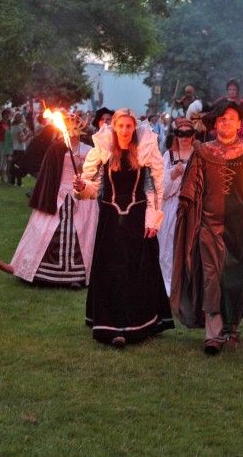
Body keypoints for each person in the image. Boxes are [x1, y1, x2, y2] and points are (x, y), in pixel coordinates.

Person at [171, 101, 243, 355]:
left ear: (239, 122)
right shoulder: (203, 152)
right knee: (212, 277)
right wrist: (187, 202)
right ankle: (213, 333)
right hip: (208, 226)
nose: (226, 123)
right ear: (215, 124)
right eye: (221, 119)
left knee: (235, 280)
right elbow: (190, 186)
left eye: (231, 118)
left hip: (241, 227)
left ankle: (231, 327)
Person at [73, 108, 173, 347]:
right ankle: (113, 325)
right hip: (110, 220)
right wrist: (81, 186)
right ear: (114, 127)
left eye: (129, 127)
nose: (125, 131)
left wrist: (153, 220)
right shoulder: (105, 151)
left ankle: (139, 322)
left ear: (134, 128)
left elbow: (155, 189)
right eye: (121, 126)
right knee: (112, 270)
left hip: (137, 219)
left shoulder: (145, 151)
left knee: (135, 271)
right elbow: (93, 187)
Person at [11, 112, 98, 287]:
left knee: (80, 231)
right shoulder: (56, 148)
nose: (72, 133)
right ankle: (42, 272)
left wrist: (84, 172)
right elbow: (48, 174)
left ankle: (77, 275)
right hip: (57, 195)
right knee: (49, 229)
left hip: (82, 197)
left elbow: (94, 176)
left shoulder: (89, 150)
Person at [158, 117, 195, 296]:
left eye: (188, 133)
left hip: (193, 207)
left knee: (190, 247)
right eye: (181, 133)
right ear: (176, 135)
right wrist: (173, 173)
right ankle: (168, 287)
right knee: (168, 248)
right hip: (172, 207)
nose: (185, 137)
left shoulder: (199, 155)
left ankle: (188, 289)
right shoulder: (168, 156)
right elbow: (161, 189)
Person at [9, 112, 31, 186]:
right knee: (19, 166)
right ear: (19, 118)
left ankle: (12, 181)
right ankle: (19, 182)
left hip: (15, 148)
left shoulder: (12, 127)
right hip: (20, 149)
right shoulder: (18, 127)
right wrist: (28, 136)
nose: (22, 118)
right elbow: (20, 140)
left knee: (14, 165)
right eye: (21, 117)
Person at [0, 108, 11, 183]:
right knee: (0, 159)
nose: (7, 116)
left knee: (4, 160)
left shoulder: (8, 124)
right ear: (3, 115)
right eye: (6, 114)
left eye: (8, 114)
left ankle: (3, 178)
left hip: (6, 144)